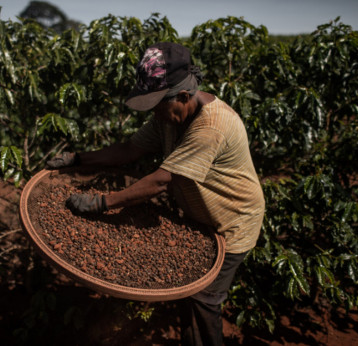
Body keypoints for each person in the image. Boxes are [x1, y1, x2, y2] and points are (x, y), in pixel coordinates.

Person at [47, 42, 265, 346]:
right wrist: (79, 159)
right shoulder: (168, 117)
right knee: (188, 295)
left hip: (232, 223)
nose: (155, 112)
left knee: (204, 301)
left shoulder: (211, 127)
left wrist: (102, 203)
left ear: (184, 96)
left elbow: (162, 181)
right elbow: (129, 150)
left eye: (159, 104)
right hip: (199, 217)